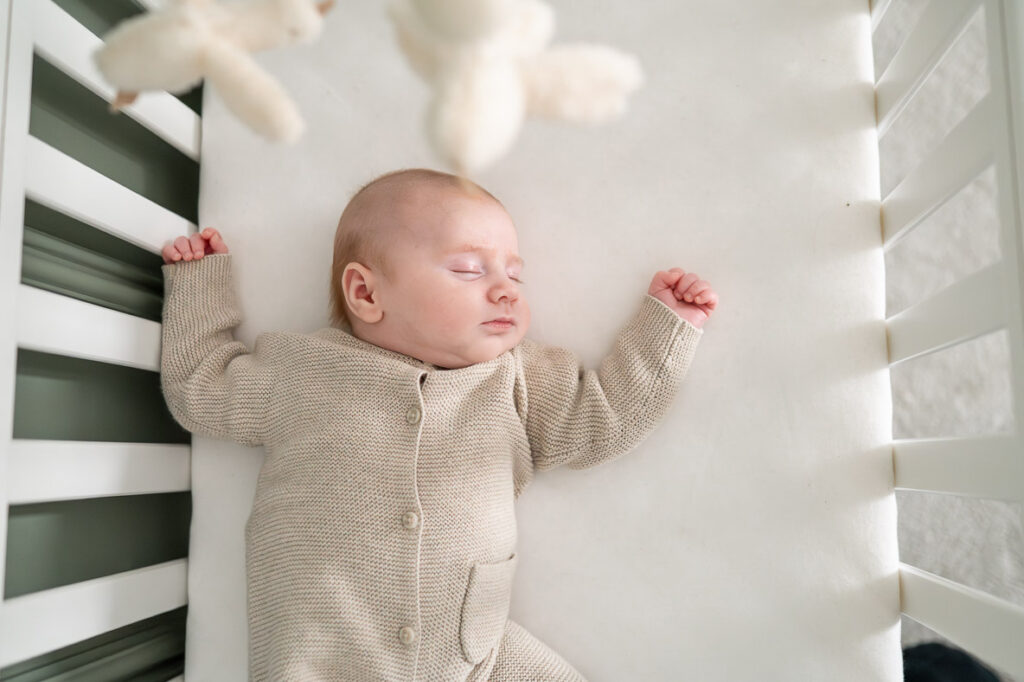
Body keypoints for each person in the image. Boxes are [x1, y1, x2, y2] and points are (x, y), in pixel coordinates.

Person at [160, 168, 717, 681]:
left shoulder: (513, 382)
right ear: (366, 293)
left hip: (473, 654)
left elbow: (603, 417)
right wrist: (199, 289)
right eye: (469, 269)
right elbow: (199, 387)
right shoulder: (299, 372)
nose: (506, 288)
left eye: (515, 274)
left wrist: (665, 327)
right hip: (317, 657)